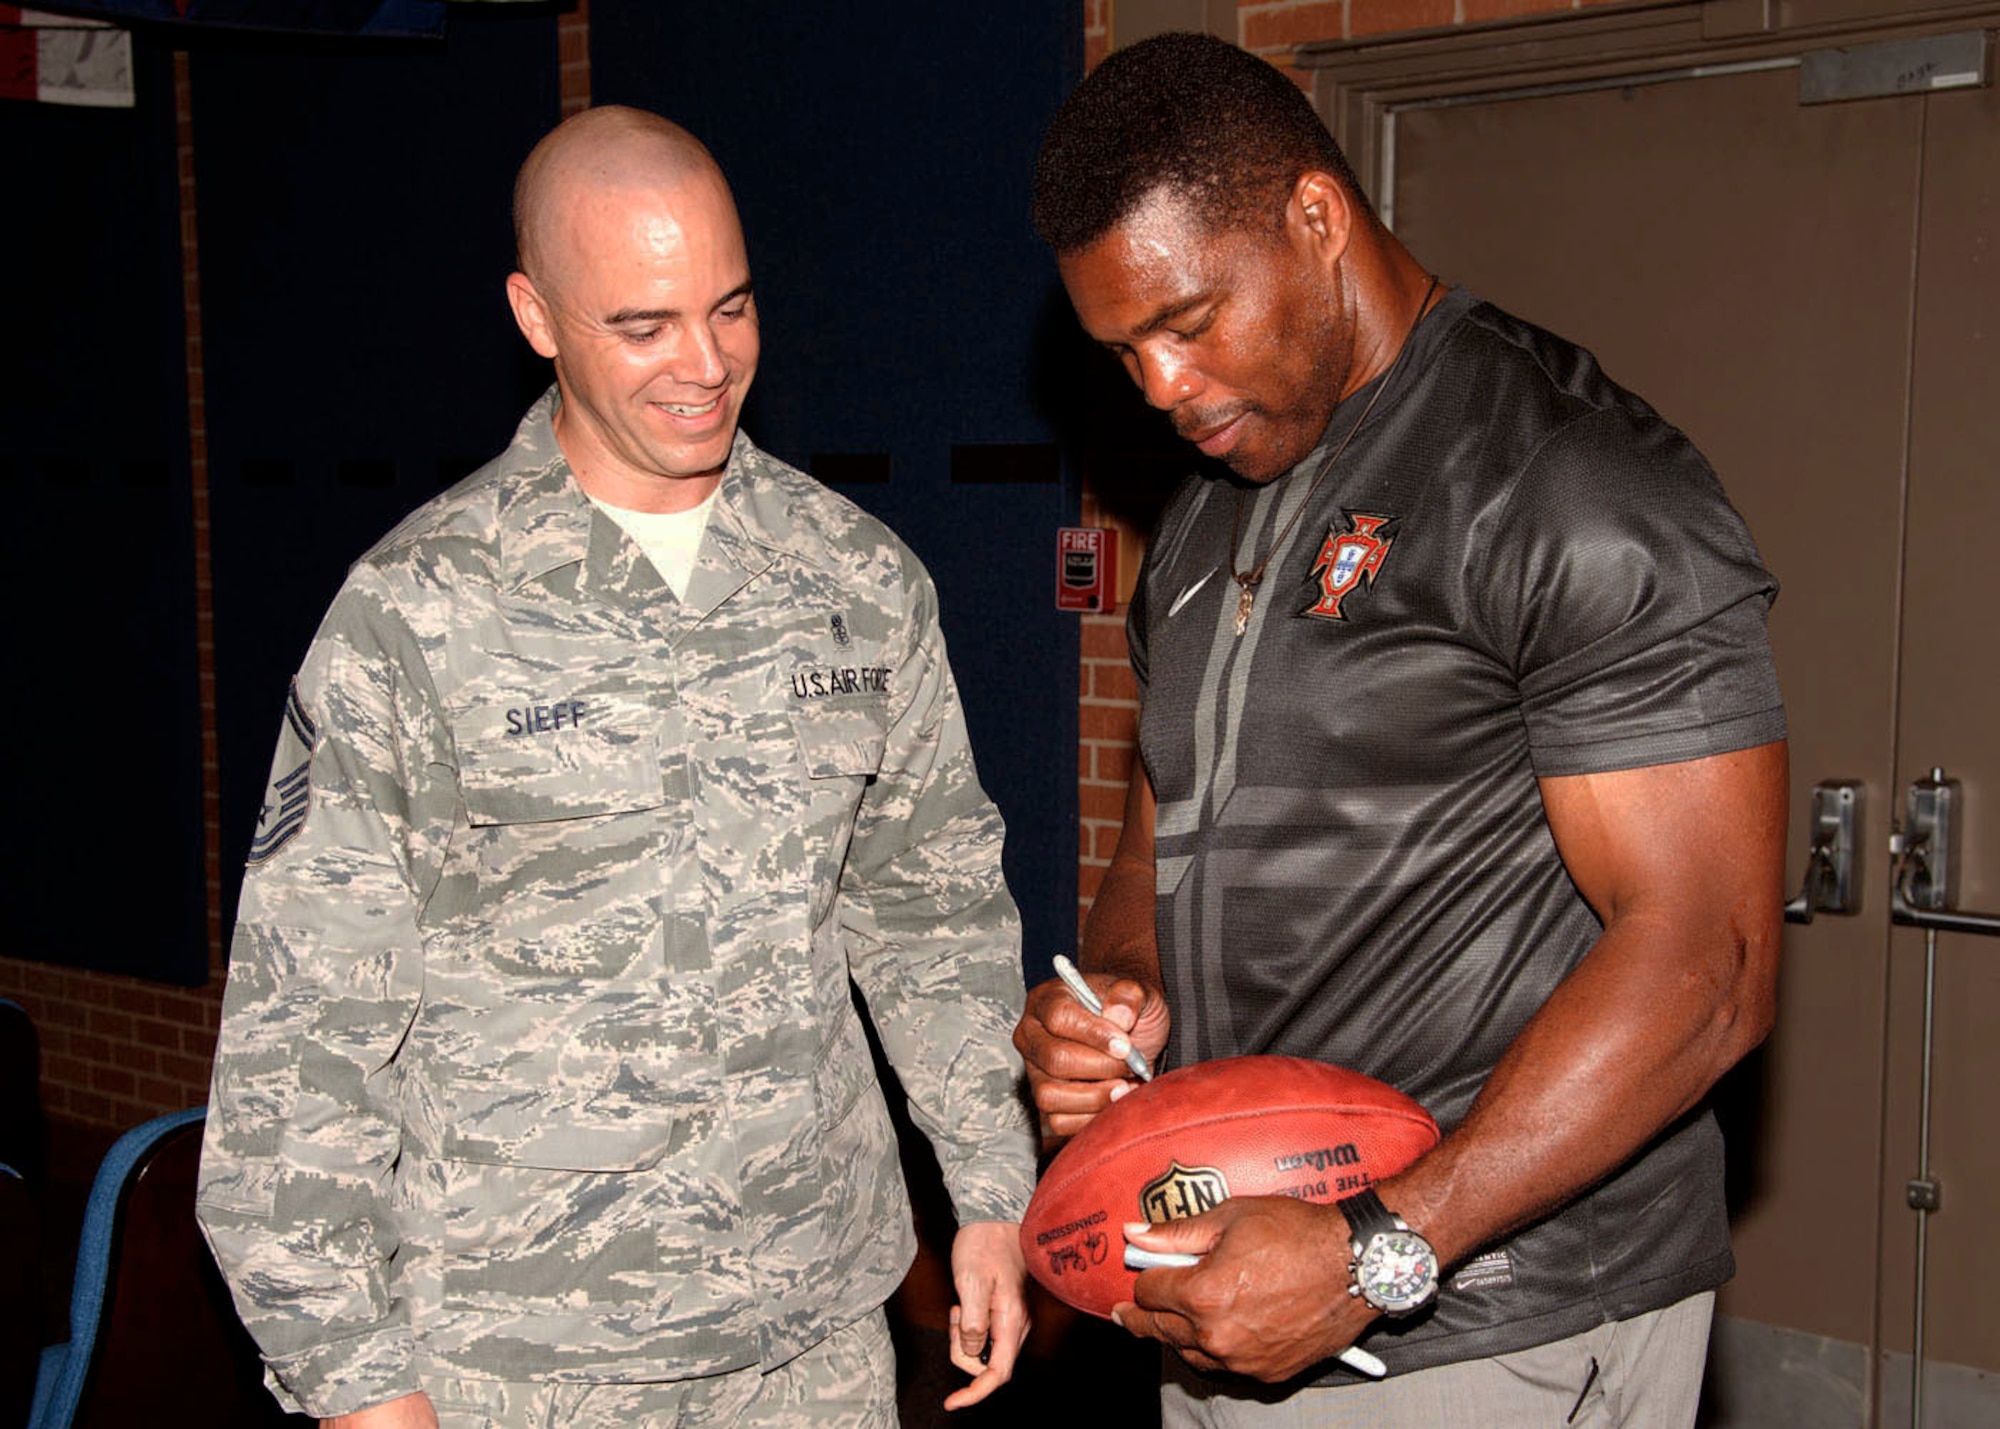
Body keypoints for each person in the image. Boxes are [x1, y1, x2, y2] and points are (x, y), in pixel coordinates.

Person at [197, 106, 1034, 1429]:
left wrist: (991, 1183)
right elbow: (307, 1039)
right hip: (519, 1361)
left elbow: (929, 906)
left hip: (809, 1345)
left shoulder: (858, 582)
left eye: (732, 307)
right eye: (642, 326)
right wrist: (356, 1379)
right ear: (536, 316)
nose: (704, 364)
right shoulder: (416, 613)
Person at [1014, 33, 1787, 1427]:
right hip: (1242, 1286)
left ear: (1316, 219)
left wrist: (1384, 1247)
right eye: (1123, 351)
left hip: (1497, 1308)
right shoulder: (1203, 513)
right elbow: (1163, 835)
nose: (1162, 388)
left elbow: (1710, 959)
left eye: (1188, 321)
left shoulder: (1565, 478)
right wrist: (1114, 991)